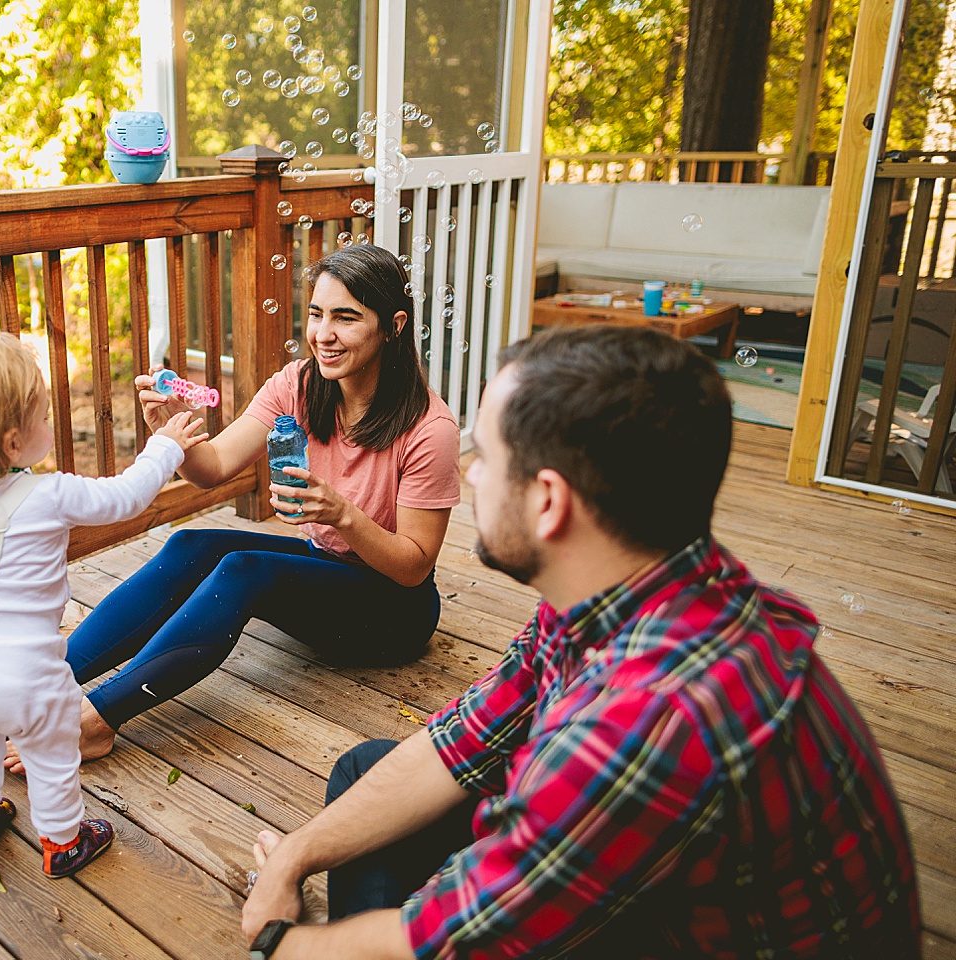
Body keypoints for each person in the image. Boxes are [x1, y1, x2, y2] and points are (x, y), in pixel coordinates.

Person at [241, 325, 921, 959]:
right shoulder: (635, 583)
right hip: (673, 890)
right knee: (369, 771)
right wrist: (295, 857)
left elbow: (465, 932)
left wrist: (281, 939)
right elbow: (458, 744)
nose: (471, 473)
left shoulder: (650, 718)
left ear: (549, 502)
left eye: (490, 456)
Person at [6, 243, 461, 774]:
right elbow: (215, 466)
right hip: (329, 568)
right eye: (316, 313)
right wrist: (171, 435)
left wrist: (343, 515)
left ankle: (95, 722)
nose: (324, 334)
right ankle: (47, 682)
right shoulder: (299, 384)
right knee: (191, 543)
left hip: (393, 612)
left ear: (393, 326)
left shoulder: (430, 429)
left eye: (347, 318)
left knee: (245, 571)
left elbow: (413, 566)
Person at [0, 332, 207, 877]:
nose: (51, 422)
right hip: (29, 676)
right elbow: (126, 496)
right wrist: (167, 446)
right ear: (14, 443)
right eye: (42, 415)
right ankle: (63, 842)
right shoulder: (51, 494)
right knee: (53, 758)